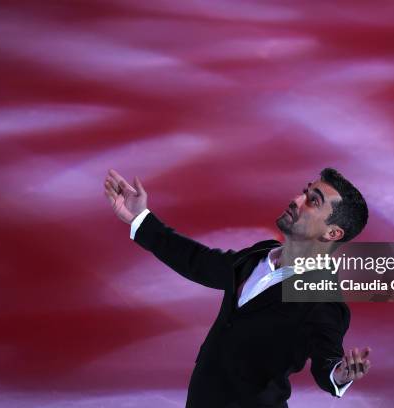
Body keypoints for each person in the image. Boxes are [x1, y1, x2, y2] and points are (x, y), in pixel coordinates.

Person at [104, 168, 372, 408]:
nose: (296, 200)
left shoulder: (322, 299)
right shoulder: (260, 254)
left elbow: (327, 354)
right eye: (305, 193)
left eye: (313, 201)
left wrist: (339, 373)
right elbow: (198, 261)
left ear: (332, 233)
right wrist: (140, 218)